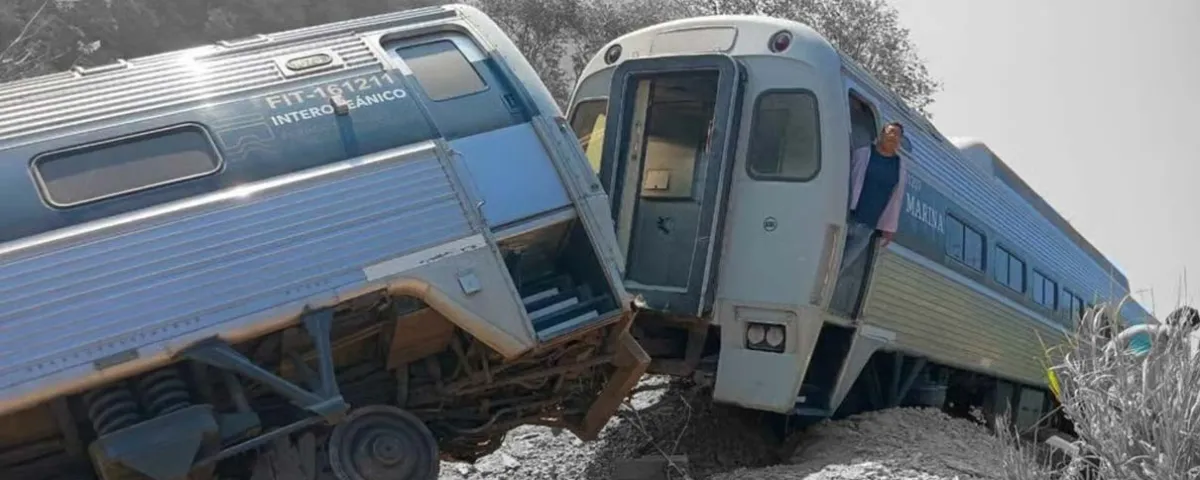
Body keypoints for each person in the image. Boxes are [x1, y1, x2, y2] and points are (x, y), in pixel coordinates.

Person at [830, 122, 909, 316]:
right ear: (882, 134)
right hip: (846, 215)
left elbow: (896, 198)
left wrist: (889, 227)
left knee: (842, 265)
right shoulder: (864, 153)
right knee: (828, 257)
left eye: (897, 135)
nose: (893, 137)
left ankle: (822, 298)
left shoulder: (899, 166)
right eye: (890, 132)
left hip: (867, 226)